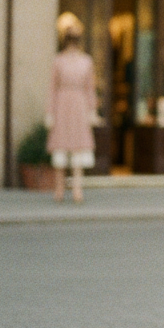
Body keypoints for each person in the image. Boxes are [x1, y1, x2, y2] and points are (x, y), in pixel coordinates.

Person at [45, 26, 99, 203]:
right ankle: (59, 189)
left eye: (75, 40)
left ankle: (77, 189)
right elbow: (52, 88)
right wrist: (50, 112)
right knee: (61, 146)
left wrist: (92, 110)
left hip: (79, 104)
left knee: (78, 147)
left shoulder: (86, 61)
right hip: (62, 104)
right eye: (70, 39)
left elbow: (90, 88)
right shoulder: (58, 61)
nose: (72, 43)